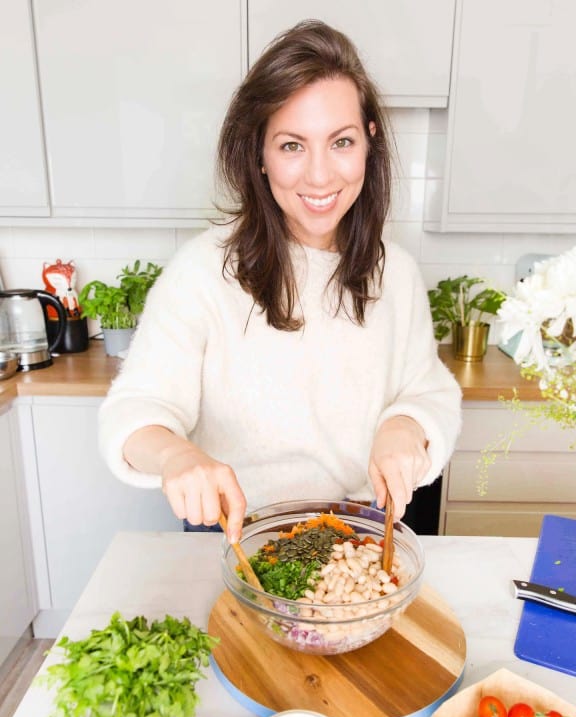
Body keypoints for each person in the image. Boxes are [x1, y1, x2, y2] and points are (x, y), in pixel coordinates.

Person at [98, 19, 461, 544]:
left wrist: (406, 426)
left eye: (341, 142)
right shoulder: (202, 271)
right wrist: (177, 456)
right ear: (260, 155)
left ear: (369, 142)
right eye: (292, 145)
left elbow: (429, 393)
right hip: (235, 539)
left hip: (357, 537)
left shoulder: (395, 274)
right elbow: (131, 414)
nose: (319, 176)